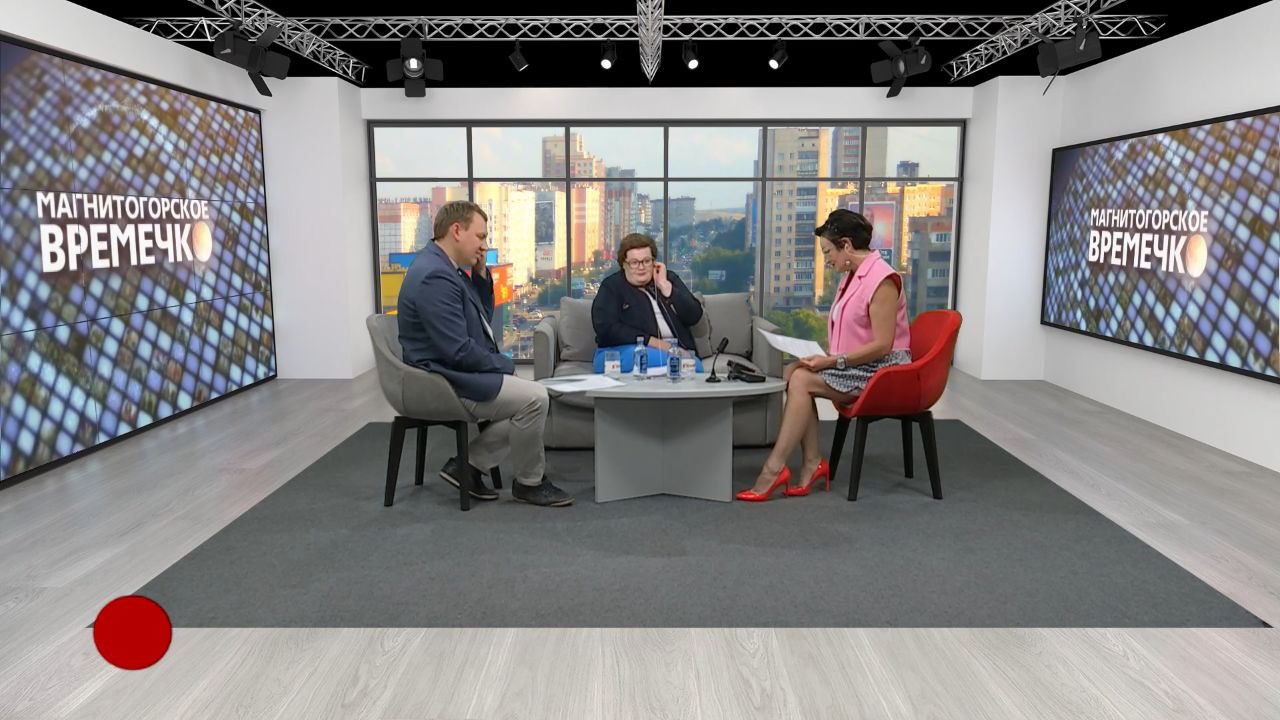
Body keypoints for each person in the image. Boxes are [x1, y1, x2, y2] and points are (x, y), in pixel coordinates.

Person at [398, 200, 573, 507]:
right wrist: (501, 365)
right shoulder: (434, 276)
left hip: (449, 369)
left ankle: (467, 466)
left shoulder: (445, 268)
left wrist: (479, 274)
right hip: (442, 379)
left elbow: (480, 318)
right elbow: (457, 350)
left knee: (534, 397)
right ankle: (529, 483)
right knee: (535, 398)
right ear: (456, 231)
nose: (484, 245)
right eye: (480, 236)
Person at [736, 209, 912, 502]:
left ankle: (774, 469)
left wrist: (831, 361)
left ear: (846, 245)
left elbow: (883, 345)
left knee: (802, 380)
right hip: (856, 364)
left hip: (882, 370)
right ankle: (812, 462)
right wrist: (826, 357)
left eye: (828, 251)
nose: (827, 259)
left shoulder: (883, 280)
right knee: (794, 371)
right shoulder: (851, 275)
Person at [590, 233, 704, 372]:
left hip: (673, 350)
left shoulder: (668, 278)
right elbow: (606, 328)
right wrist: (653, 342)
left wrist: (667, 288)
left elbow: (694, 316)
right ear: (624, 264)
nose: (641, 267)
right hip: (621, 351)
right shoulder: (612, 286)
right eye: (634, 262)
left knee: (693, 366)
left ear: (654, 262)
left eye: (646, 261)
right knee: (683, 364)